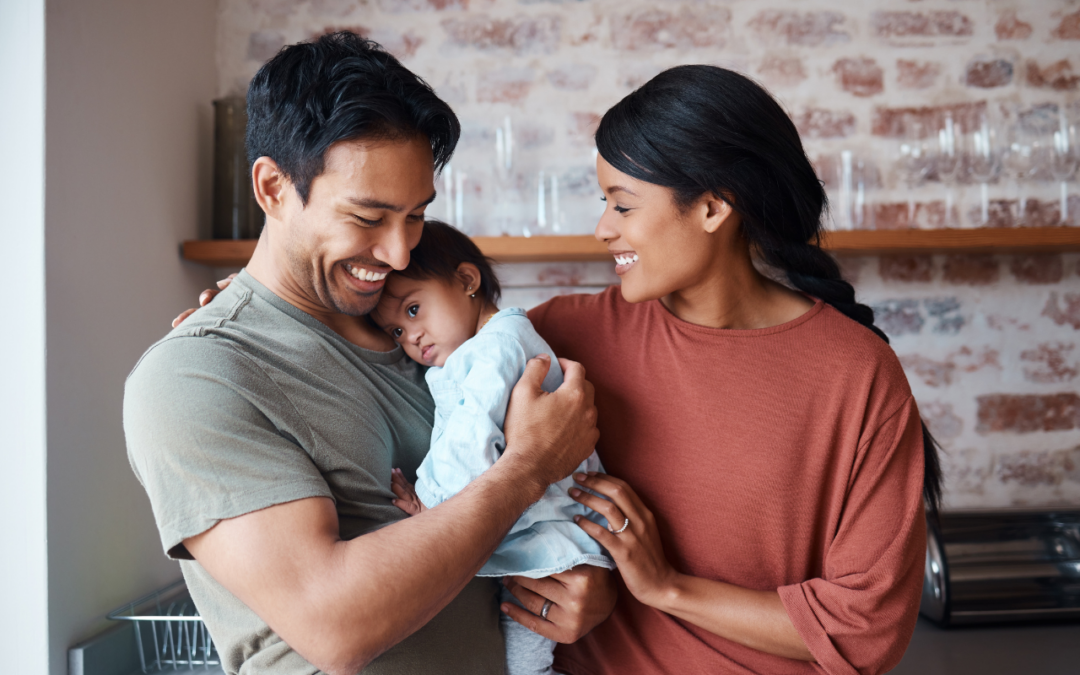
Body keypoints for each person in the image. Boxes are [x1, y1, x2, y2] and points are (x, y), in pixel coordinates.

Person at [178, 62, 942, 674]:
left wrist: (663, 586)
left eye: (623, 203)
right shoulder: (557, 338)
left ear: (714, 207)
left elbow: (866, 630)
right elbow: (406, 355)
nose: (603, 228)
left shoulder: (855, 374)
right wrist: (239, 315)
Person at [125, 33, 615, 675]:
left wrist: (587, 587)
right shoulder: (196, 375)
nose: (398, 253)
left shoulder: (422, 336)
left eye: (415, 215)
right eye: (367, 217)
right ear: (273, 188)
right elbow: (336, 625)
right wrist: (526, 469)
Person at [370, 219, 615, 675]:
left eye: (413, 310)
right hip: (543, 532)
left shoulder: (493, 350)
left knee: (526, 666)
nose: (411, 337)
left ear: (467, 281)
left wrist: (431, 509)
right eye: (395, 333)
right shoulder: (486, 346)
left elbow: (472, 440)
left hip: (549, 542)